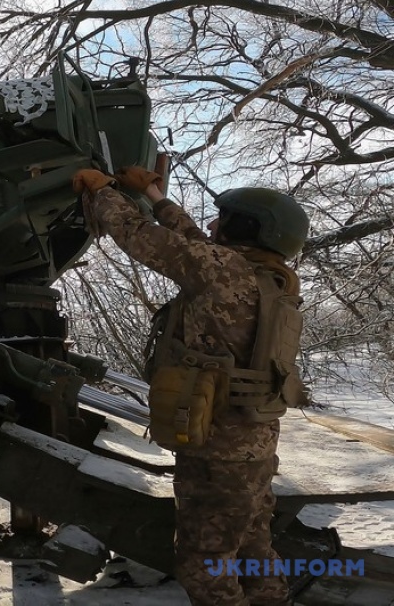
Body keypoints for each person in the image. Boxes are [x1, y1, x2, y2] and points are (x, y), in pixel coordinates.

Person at [72, 167, 309, 606]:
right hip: (253, 444)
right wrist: (153, 193)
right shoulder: (269, 279)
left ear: (248, 228)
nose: (214, 224)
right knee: (255, 550)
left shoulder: (219, 269)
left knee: (205, 565)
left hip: (215, 449)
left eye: (224, 218)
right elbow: (196, 242)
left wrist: (103, 191)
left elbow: (135, 233)